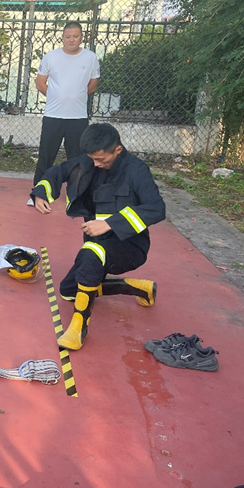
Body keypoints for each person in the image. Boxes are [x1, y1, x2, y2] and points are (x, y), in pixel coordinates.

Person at [31, 123, 165, 350]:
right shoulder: (90, 161)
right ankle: (139, 288)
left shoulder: (137, 170)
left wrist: (110, 224)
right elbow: (58, 171)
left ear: (118, 150)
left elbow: (157, 208)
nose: (95, 164)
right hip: (96, 244)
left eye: (101, 159)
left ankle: (78, 327)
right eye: (92, 159)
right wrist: (41, 193)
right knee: (68, 291)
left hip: (129, 246)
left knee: (91, 254)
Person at [30, 21, 100, 206]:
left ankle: (74, 195)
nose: (71, 40)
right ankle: (40, 194)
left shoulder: (91, 58)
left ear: (81, 37)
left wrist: (75, 96)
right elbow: (40, 83)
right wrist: (57, 96)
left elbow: (93, 85)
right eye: (68, 36)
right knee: (46, 156)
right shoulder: (51, 57)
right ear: (62, 37)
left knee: (77, 159)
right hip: (53, 116)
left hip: (78, 118)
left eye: (75, 36)